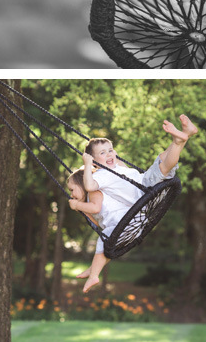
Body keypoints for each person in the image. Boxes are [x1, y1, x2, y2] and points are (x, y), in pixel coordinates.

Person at [71, 114, 198, 293]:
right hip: (143, 195)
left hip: (143, 191)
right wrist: (87, 165)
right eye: (102, 153)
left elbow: (91, 187)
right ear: (94, 162)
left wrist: (92, 162)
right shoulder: (101, 174)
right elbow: (89, 185)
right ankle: (180, 140)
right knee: (163, 165)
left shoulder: (114, 168)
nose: (109, 154)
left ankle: (181, 138)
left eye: (110, 150)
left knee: (163, 161)